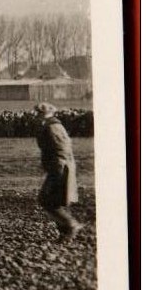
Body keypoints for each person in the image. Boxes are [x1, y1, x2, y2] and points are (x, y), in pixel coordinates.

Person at [35, 103, 82, 241]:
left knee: (46, 199)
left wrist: (57, 167)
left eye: (39, 113)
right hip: (58, 167)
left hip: (60, 168)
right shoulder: (50, 126)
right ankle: (65, 232)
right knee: (55, 200)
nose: (36, 115)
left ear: (46, 114)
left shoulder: (52, 127)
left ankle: (70, 225)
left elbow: (62, 149)